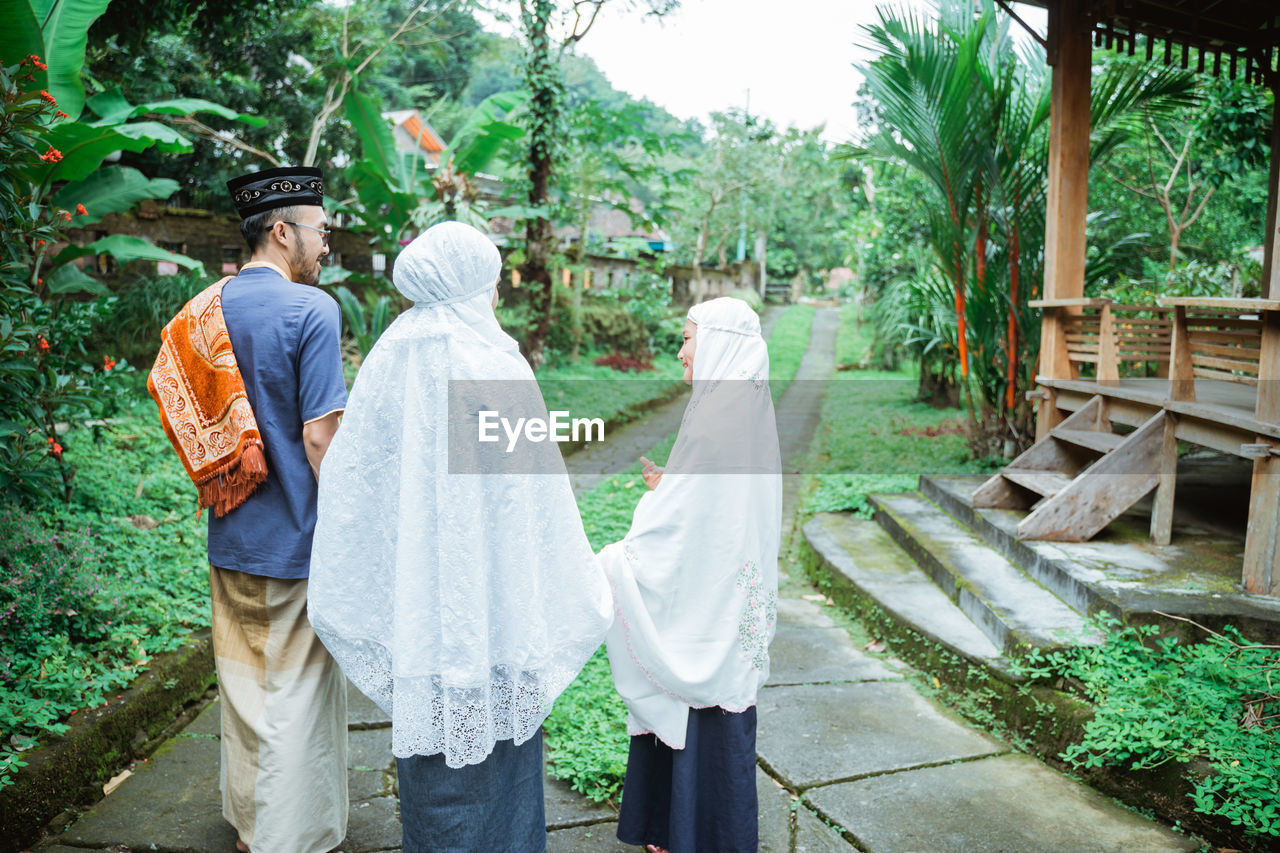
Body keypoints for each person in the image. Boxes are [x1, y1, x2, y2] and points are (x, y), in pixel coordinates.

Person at [307, 221, 613, 853]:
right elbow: (535, 489)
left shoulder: (391, 359)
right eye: (494, 283)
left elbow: (353, 474)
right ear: (473, 284)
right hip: (497, 602)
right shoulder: (494, 361)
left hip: (422, 608)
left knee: (437, 757)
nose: (497, 295)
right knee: (501, 741)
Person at [148, 166, 349, 852]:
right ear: (283, 230)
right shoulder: (313, 311)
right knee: (298, 693)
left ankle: (250, 826)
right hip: (300, 537)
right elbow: (322, 436)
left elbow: (172, 390)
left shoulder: (205, 309)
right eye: (321, 231)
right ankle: (289, 835)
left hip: (231, 530)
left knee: (244, 690)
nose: (327, 245)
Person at [599, 296, 782, 853]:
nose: (680, 352)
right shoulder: (740, 406)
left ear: (720, 344)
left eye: (687, 338)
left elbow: (677, 529)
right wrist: (672, 487)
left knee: (693, 703)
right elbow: (714, 504)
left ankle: (680, 834)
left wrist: (615, 560)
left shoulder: (715, 421)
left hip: (704, 606)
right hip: (728, 599)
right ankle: (688, 832)